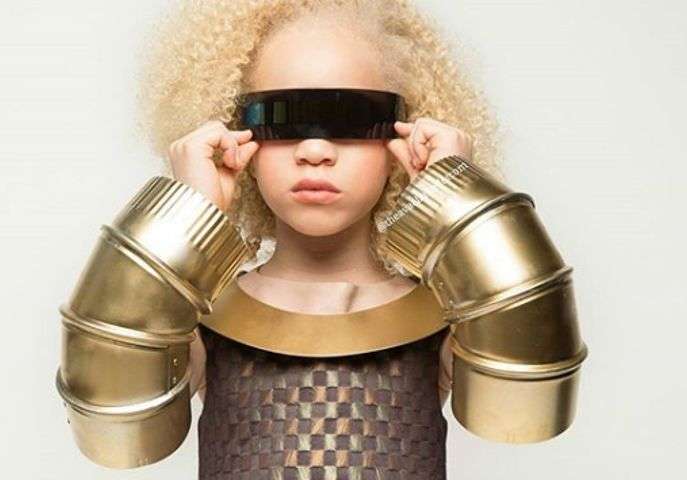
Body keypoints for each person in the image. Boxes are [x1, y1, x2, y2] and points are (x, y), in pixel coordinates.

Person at [55, 1, 588, 478]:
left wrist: (456, 195)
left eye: (353, 119)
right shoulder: (201, 316)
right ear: (235, 132)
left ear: (403, 137)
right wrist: (189, 208)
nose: (314, 150)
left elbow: (533, 395)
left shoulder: (445, 317)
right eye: (279, 120)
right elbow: (107, 421)